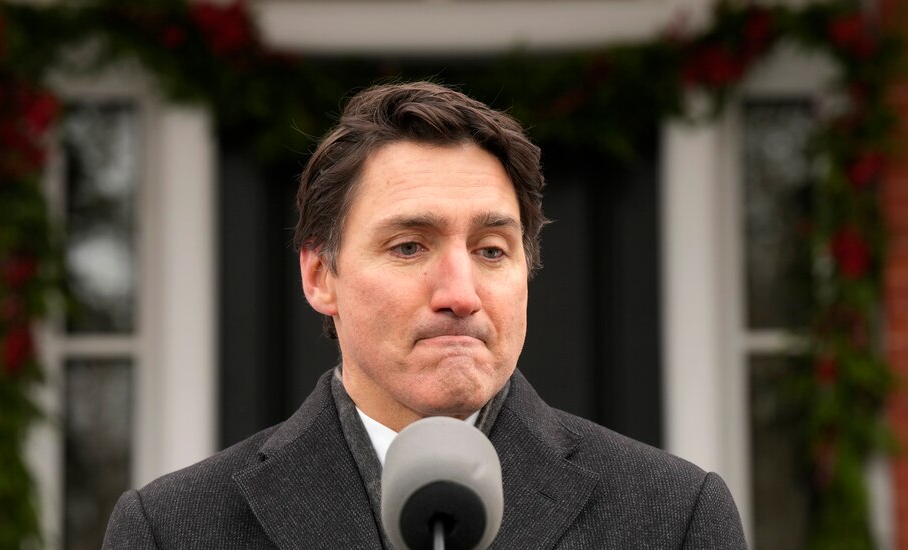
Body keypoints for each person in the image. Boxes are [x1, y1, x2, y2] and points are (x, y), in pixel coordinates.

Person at [103, 81, 747, 549]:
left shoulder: (675, 518)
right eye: (410, 246)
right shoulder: (172, 529)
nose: (460, 293)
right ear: (319, 275)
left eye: (491, 250)